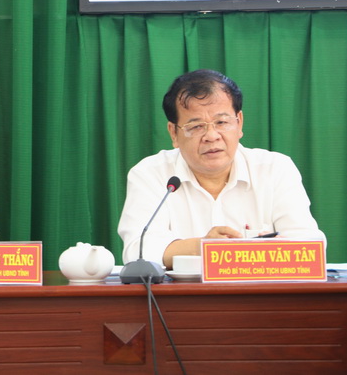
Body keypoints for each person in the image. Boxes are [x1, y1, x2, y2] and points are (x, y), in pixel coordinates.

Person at [118, 69, 325, 269]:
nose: (211, 136)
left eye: (221, 122)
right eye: (196, 126)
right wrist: (205, 247)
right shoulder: (151, 174)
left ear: (239, 123)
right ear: (174, 133)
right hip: (183, 293)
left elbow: (310, 245)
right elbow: (138, 251)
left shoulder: (275, 169)